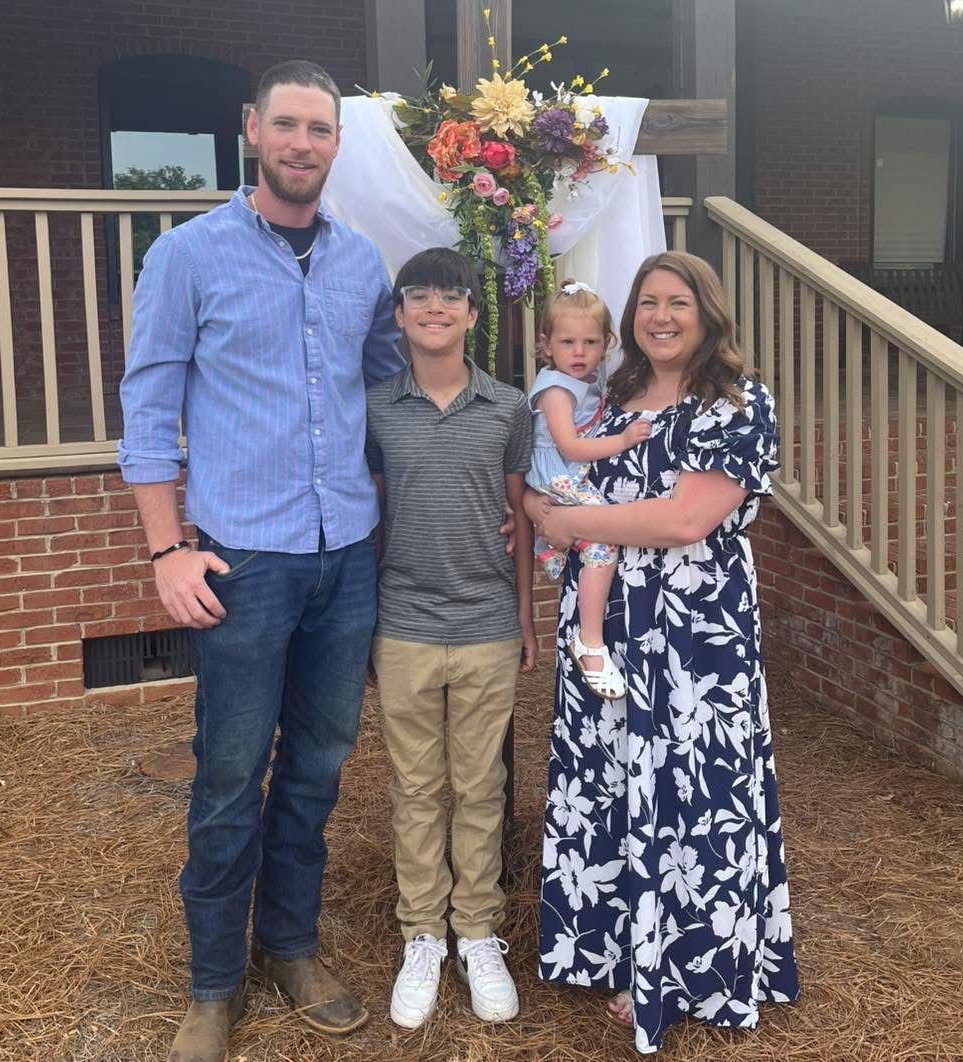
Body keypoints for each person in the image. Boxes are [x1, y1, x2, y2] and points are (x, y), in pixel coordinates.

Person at [118, 60, 406, 1062]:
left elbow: (389, 391)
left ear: (336, 144)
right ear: (252, 129)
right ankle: (212, 981)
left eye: (318, 130)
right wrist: (166, 547)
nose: (301, 144)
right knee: (231, 773)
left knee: (318, 770)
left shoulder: (363, 264)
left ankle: (289, 945)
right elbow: (148, 410)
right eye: (286, 125)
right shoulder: (186, 257)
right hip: (242, 561)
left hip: (347, 559)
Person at [531, 251, 799, 1054]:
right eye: (647, 302)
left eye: (677, 302)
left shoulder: (736, 402)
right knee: (610, 776)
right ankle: (618, 951)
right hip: (608, 624)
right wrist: (550, 509)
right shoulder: (614, 396)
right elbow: (570, 475)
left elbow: (686, 521)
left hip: (693, 633)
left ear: (707, 312)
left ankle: (691, 965)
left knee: (694, 786)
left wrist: (569, 524)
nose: (660, 316)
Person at [365, 247, 537, 1031]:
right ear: (398, 314)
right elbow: (363, 516)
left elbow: (521, 522)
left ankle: (477, 932)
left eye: (451, 297)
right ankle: (422, 936)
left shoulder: (508, 408)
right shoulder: (372, 409)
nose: (435, 308)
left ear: (474, 314)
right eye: (419, 297)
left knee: (480, 788)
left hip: (485, 627)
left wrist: (528, 617)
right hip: (401, 623)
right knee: (416, 787)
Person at [527, 280, 651, 701]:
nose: (579, 352)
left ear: (606, 344)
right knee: (604, 544)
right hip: (557, 475)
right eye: (567, 341)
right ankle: (590, 641)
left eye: (590, 342)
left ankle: (557, 550)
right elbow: (570, 446)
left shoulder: (592, 382)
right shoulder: (556, 389)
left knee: (597, 534)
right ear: (546, 344)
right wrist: (624, 440)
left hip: (570, 475)